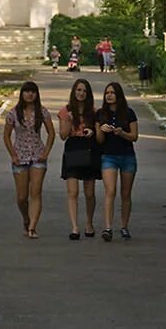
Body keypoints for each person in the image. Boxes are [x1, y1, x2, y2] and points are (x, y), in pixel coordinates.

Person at [3, 81, 55, 239]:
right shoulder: (13, 113)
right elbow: (6, 135)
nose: (30, 94)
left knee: (36, 192)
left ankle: (32, 227)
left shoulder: (42, 112)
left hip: (37, 155)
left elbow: (51, 133)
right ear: (22, 94)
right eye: (27, 91)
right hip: (20, 157)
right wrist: (13, 154)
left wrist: (46, 152)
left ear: (37, 94)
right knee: (21, 197)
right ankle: (26, 218)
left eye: (33, 91)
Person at [58, 79, 101, 240]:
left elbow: (99, 134)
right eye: (78, 90)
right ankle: (74, 227)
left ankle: (89, 223)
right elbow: (62, 136)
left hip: (89, 148)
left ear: (88, 94)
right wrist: (69, 121)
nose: (81, 93)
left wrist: (92, 132)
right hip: (73, 148)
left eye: (84, 91)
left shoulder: (94, 112)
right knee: (73, 191)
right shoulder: (65, 111)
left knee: (89, 192)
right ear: (74, 92)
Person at [95, 82, 138, 242]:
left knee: (126, 193)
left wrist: (122, 133)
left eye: (112, 92)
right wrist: (101, 130)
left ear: (119, 95)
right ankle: (108, 228)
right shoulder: (100, 114)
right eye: (107, 93)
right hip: (109, 156)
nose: (109, 95)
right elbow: (99, 140)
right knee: (110, 191)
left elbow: (134, 136)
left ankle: (124, 226)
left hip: (127, 156)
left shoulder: (128, 113)